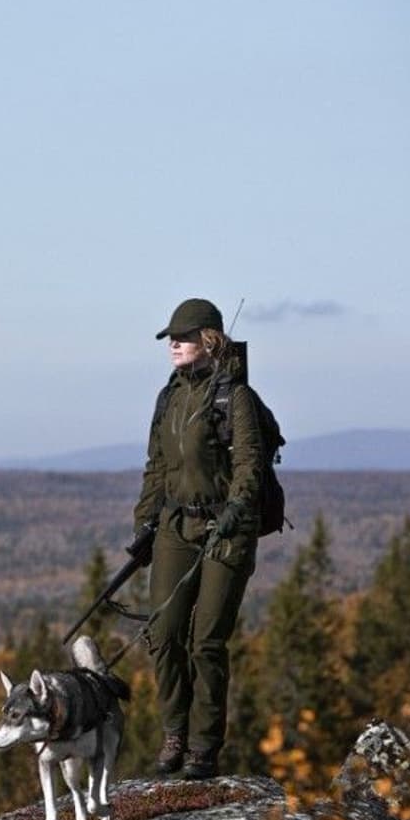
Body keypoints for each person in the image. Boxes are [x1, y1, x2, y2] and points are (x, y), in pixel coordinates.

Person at [128, 298, 264, 779]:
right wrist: (144, 525)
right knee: (163, 634)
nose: (174, 345)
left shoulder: (235, 397)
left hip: (226, 531)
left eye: (183, 337)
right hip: (175, 526)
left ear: (209, 340)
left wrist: (235, 511)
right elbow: (156, 468)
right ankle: (175, 733)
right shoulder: (168, 398)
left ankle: (203, 748)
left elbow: (249, 465)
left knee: (206, 641)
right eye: (170, 338)